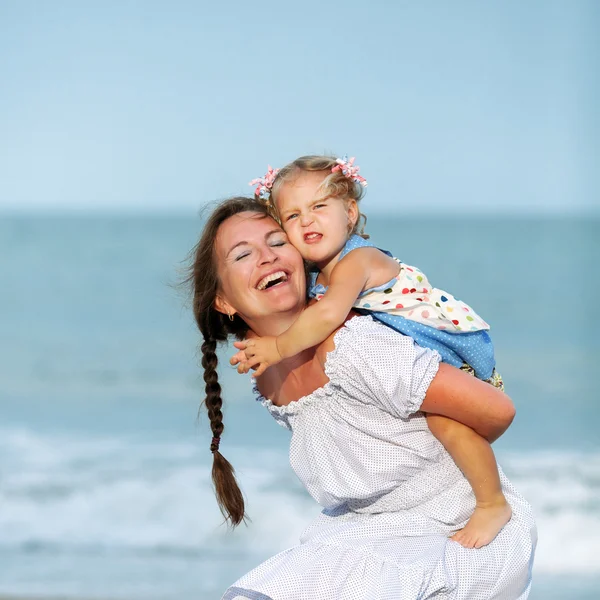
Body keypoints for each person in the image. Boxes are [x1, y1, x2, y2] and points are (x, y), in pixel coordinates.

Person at [186, 197, 536, 599]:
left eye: (278, 243)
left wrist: (452, 449)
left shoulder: (356, 347)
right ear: (224, 301)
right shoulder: (267, 373)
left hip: (456, 529)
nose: (267, 257)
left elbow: (496, 409)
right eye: (244, 254)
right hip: (364, 530)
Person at [234, 156, 508, 548]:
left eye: (319, 207)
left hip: (446, 344)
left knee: (447, 423)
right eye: (292, 216)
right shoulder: (318, 274)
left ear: (350, 213)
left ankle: (492, 503)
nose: (307, 221)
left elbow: (328, 314)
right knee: (434, 426)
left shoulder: (358, 260)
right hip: (414, 346)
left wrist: (277, 347)